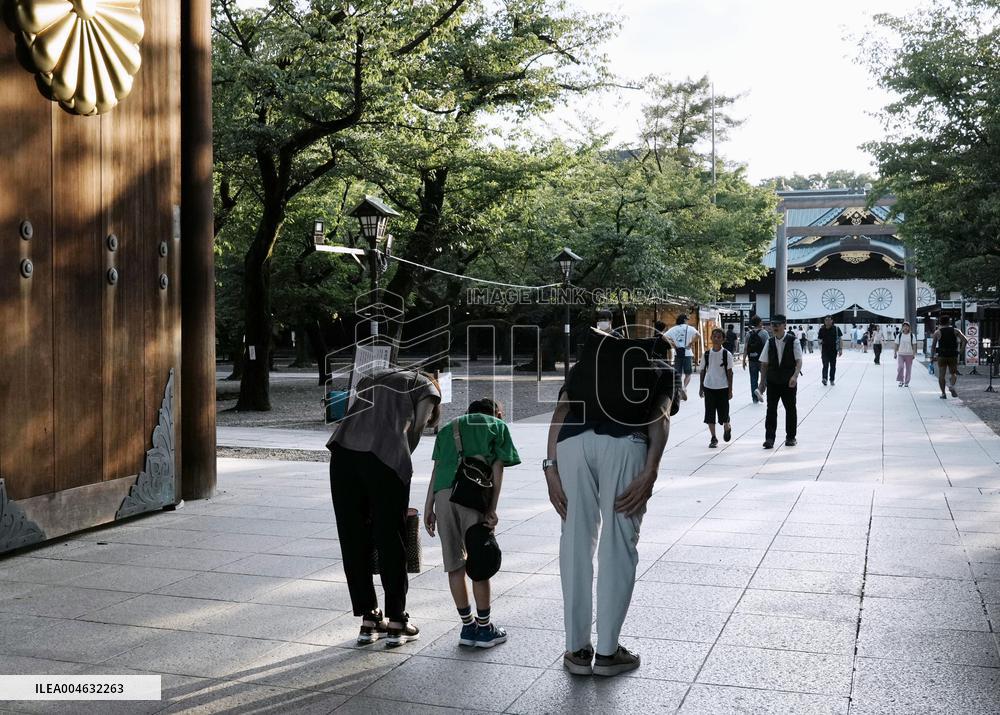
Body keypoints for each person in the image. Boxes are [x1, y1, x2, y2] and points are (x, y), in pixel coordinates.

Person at [546, 332, 675, 677]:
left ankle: (576, 651)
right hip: (625, 443)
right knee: (618, 543)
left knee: (574, 541)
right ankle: (606, 654)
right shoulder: (661, 368)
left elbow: (562, 409)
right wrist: (651, 470)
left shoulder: (585, 367)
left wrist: (550, 468)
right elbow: (660, 418)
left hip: (572, 445)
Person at [327, 368, 441, 647]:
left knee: (353, 538)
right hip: (384, 461)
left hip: (343, 456)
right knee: (391, 539)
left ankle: (369, 619)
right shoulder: (427, 387)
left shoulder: (373, 376)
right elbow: (414, 429)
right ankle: (398, 621)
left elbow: (363, 416)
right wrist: (401, 466)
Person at [424, 398, 520, 648]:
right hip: (471, 496)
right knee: (479, 560)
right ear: (497, 412)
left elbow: (437, 470)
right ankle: (485, 629)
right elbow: (497, 470)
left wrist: (428, 507)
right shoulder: (497, 426)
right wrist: (492, 509)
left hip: (443, 496)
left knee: (454, 564)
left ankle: (468, 629)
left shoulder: (447, 429)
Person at [757, 314, 802, 449]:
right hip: (773, 381)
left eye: (778, 324)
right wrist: (761, 383)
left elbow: (799, 361)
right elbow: (764, 364)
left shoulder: (794, 341)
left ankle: (791, 437)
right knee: (771, 410)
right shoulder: (769, 342)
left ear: (784, 325)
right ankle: (769, 438)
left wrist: (795, 376)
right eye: (773, 324)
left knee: (790, 409)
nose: (775, 327)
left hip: (789, 381)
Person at [699, 328, 734, 448]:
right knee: (709, 413)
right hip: (709, 387)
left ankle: (727, 426)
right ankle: (713, 437)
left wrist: (730, 390)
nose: (716, 339)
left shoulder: (726, 354)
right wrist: (701, 387)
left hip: (723, 387)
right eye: (714, 336)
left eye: (719, 337)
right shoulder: (707, 354)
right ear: (711, 338)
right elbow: (702, 370)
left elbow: (730, 373)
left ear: (723, 339)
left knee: (724, 412)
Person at [663, 314, 701, 400]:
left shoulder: (674, 329)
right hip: (687, 353)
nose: (687, 321)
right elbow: (698, 335)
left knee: (678, 373)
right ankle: (684, 387)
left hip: (678, 353)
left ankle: (679, 390)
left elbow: (664, 337)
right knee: (688, 374)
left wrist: (673, 345)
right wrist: (691, 342)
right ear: (684, 320)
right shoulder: (689, 328)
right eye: (687, 319)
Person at [931, 316, 968, 399]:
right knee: (953, 373)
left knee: (941, 375)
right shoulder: (956, 331)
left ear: (940, 323)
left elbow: (933, 346)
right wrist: (961, 351)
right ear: (949, 322)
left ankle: (943, 394)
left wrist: (932, 356)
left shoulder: (937, 332)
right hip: (953, 355)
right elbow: (965, 340)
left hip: (942, 356)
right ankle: (951, 386)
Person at [742, 316, 770, 404]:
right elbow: (768, 347)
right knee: (766, 378)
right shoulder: (764, 333)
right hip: (762, 360)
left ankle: (754, 399)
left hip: (752, 360)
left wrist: (743, 360)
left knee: (753, 379)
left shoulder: (748, 334)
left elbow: (746, 348)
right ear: (760, 323)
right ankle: (759, 390)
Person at [817, 315, 843, 386]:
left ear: (832, 321)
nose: (827, 321)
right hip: (825, 350)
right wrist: (820, 345)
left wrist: (840, 349)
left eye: (829, 320)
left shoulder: (836, 329)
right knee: (825, 365)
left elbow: (840, 339)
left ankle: (832, 379)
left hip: (833, 350)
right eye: (826, 320)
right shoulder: (821, 329)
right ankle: (824, 378)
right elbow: (819, 339)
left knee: (833, 366)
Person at [894, 321, 917, 387]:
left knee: (908, 369)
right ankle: (901, 380)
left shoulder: (912, 335)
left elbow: (914, 345)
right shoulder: (899, 335)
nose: (905, 327)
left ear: (909, 327)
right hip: (901, 354)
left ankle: (906, 382)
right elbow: (896, 344)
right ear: (902, 327)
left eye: (907, 326)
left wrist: (914, 354)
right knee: (900, 367)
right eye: (904, 326)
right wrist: (895, 353)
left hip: (909, 354)